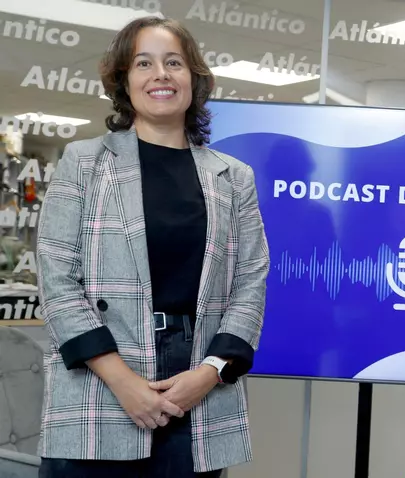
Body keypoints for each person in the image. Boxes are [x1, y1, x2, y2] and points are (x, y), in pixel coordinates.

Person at [35, 16, 269, 478]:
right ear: (124, 81)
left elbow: (251, 281)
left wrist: (209, 373)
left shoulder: (233, 177)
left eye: (173, 63)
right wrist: (123, 382)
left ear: (193, 78)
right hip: (101, 380)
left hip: (196, 387)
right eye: (144, 63)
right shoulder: (83, 162)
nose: (160, 74)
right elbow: (57, 280)